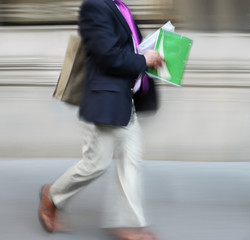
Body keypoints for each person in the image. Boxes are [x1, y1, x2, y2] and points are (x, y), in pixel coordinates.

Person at [38, 0, 163, 239]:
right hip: (106, 100)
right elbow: (108, 55)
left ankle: (127, 224)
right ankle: (51, 195)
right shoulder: (94, 6)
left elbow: (130, 46)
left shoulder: (121, 7)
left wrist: (152, 53)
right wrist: (143, 60)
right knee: (95, 163)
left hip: (127, 99)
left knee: (131, 160)